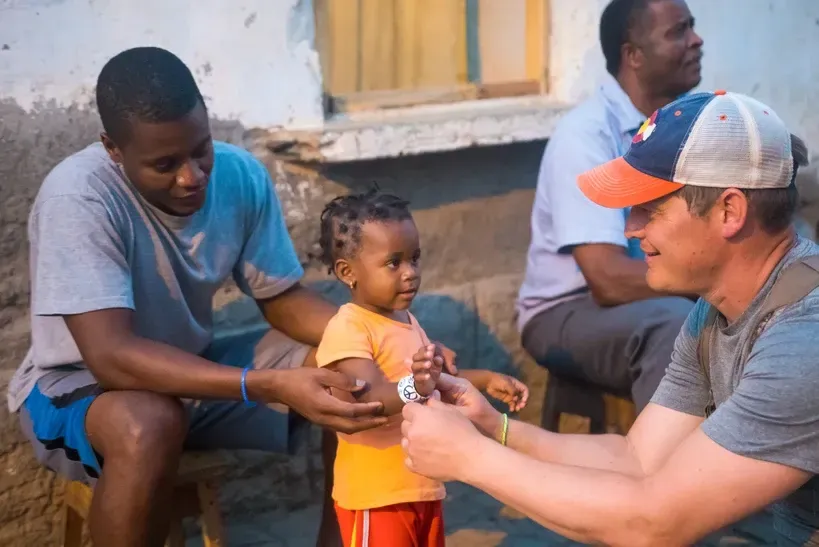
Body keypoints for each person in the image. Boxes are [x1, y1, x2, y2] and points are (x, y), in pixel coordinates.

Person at [5, 47, 458, 547]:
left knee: (346, 369)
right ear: (113, 148)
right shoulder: (79, 198)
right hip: (79, 387)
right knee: (148, 421)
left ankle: (343, 541)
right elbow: (112, 358)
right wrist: (267, 385)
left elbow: (282, 299)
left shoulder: (240, 176)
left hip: (190, 369)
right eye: (165, 163)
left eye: (201, 149)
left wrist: (399, 347)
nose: (192, 176)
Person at [401, 90, 819, 546]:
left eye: (651, 208)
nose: (630, 228)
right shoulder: (713, 311)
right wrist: (492, 428)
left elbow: (653, 523)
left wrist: (469, 459)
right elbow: (639, 459)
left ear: (730, 211)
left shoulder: (803, 342)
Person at [315, 190, 529, 547]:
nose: (410, 273)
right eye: (393, 263)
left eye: (414, 259)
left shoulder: (406, 320)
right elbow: (365, 399)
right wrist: (416, 385)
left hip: (421, 486)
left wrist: (483, 380)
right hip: (378, 494)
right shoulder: (349, 327)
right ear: (347, 272)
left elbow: (430, 383)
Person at [517, 0, 703, 409]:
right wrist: (711, 280)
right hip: (565, 311)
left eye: (692, 26)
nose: (697, 40)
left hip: (653, 291)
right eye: (678, 32)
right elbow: (608, 280)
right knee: (673, 323)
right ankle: (668, 468)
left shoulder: (687, 124)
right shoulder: (586, 137)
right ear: (632, 55)